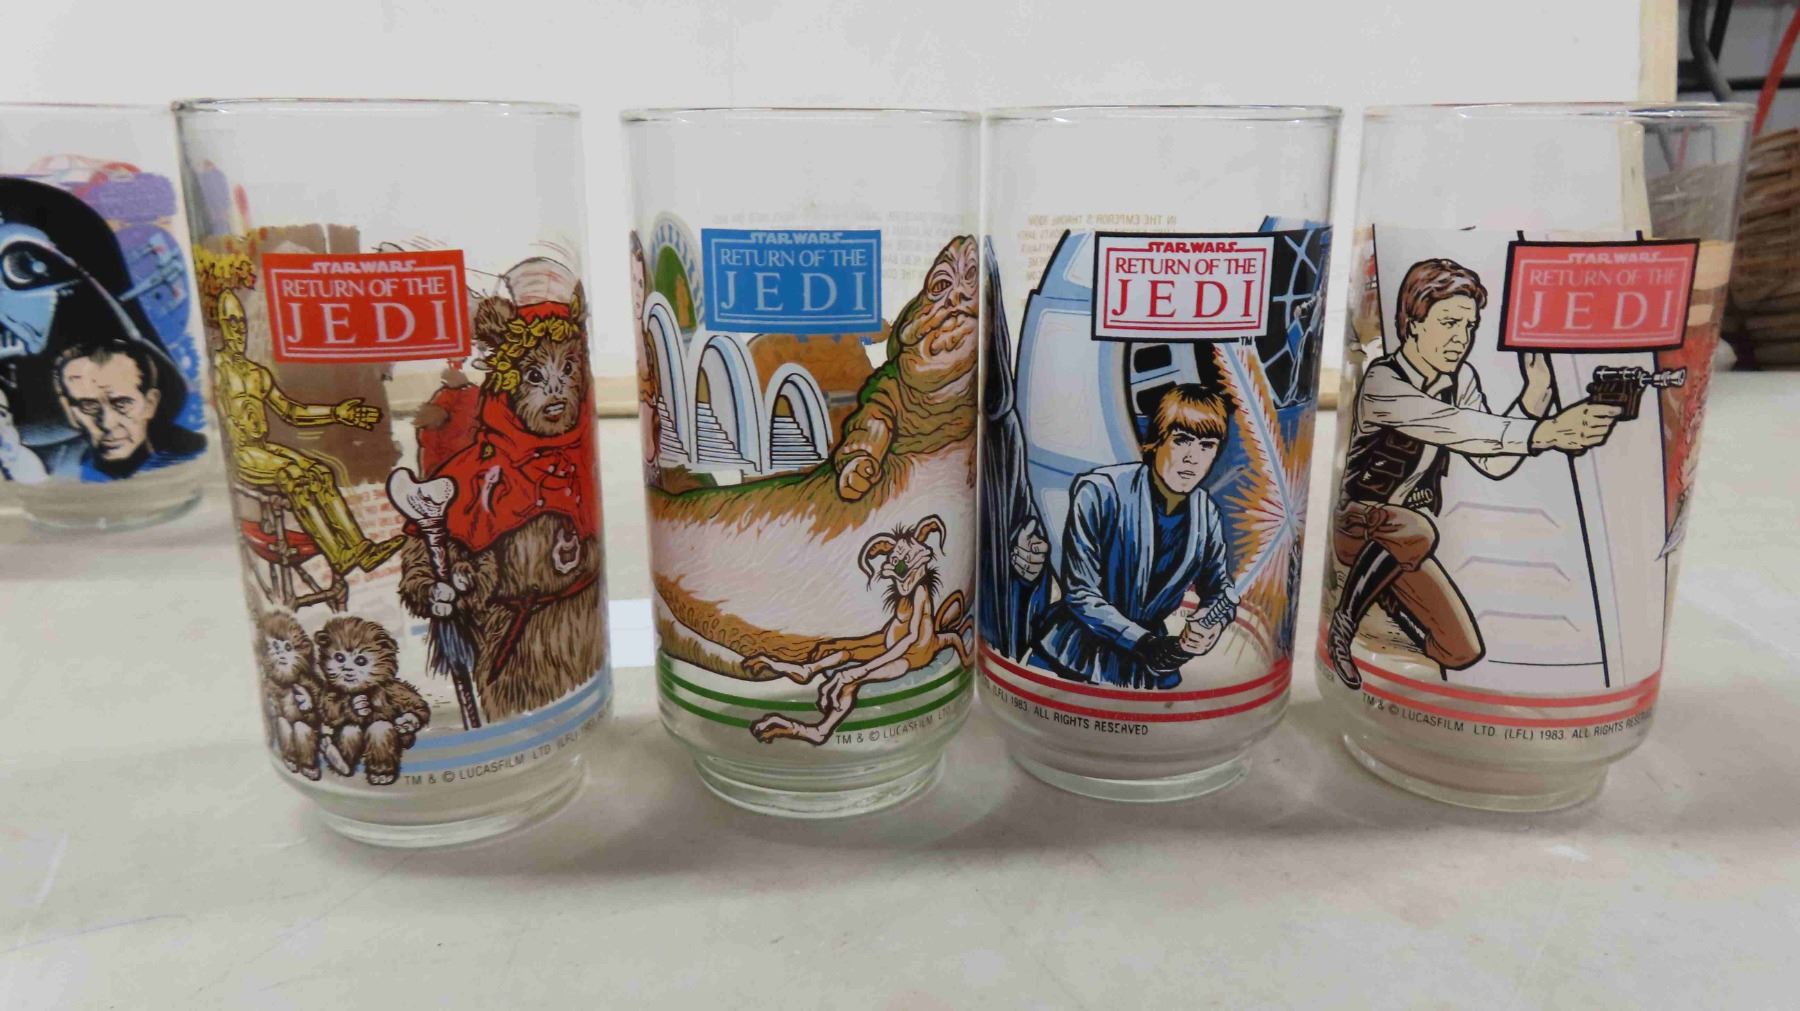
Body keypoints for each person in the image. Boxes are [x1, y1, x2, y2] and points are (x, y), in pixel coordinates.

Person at [1324, 258, 1622, 690]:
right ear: (1413, 323)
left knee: (1460, 650)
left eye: (1469, 327)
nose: (1460, 339)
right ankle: (1344, 626)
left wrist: (1535, 396)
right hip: (1358, 523)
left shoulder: (1459, 378)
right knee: (1415, 527)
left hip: (1402, 542)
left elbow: (1492, 461)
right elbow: (1456, 427)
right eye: (1448, 323)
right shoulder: (1383, 381)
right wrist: (1547, 432)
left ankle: (1386, 596)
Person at [1026, 383, 1238, 690]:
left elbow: (1219, 586)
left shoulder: (1206, 512)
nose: (1193, 457)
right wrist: (1144, 643)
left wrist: (1211, 620)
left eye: (1207, 445)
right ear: (1157, 440)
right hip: (1073, 654)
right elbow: (1081, 591)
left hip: (1148, 665)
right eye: (1182, 440)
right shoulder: (1101, 491)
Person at [212, 289, 402, 576]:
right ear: (221, 326)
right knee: (295, 477)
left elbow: (292, 412)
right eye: (231, 322)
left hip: (263, 448)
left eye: (241, 322)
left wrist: (337, 413)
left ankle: (361, 549)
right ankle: (339, 556)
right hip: (243, 452)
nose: (238, 330)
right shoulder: (220, 369)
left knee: (321, 474)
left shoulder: (256, 374)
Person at [53, 338, 204, 480]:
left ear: (150, 403)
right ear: (70, 411)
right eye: (89, 406)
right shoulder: (67, 470)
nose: (107, 423)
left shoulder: (191, 460)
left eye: (122, 404)